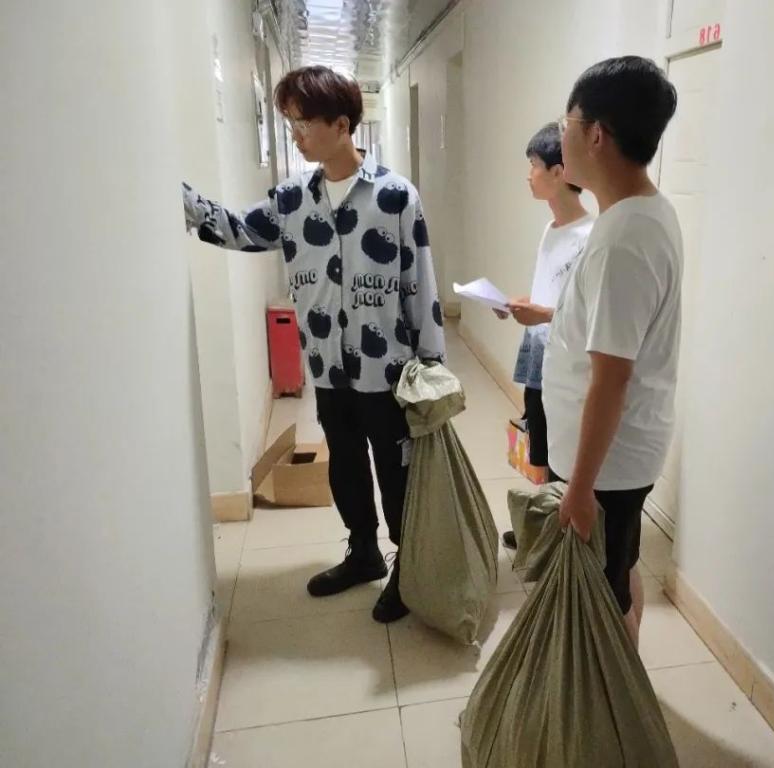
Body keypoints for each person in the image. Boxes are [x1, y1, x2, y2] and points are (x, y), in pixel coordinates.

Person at [181, 66, 445, 624]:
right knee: (345, 464)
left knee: (396, 471)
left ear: (341, 125)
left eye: (303, 124)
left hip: (387, 367)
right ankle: (363, 551)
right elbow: (240, 230)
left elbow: (419, 280)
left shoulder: (395, 196)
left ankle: (409, 567)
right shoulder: (292, 200)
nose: (295, 136)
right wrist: (181, 199)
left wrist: (431, 361)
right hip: (328, 365)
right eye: (290, 124)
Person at [543, 56, 681, 648]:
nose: (561, 137)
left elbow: (611, 379)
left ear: (596, 134)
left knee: (601, 601)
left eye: (566, 123)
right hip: (616, 460)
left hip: (605, 468)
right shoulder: (640, 213)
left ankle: (615, 698)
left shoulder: (624, 238)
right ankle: (622, 686)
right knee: (620, 572)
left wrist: (579, 489)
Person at [495, 122, 593, 549]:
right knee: (543, 448)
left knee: (564, 452)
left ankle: (562, 538)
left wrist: (542, 314)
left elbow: (588, 316)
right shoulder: (551, 229)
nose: (528, 174)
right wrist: (523, 306)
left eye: (534, 165)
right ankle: (547, 528)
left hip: (568, 364)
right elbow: (551, 293)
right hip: (540, 356)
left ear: (558, 172)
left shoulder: (591, 237)